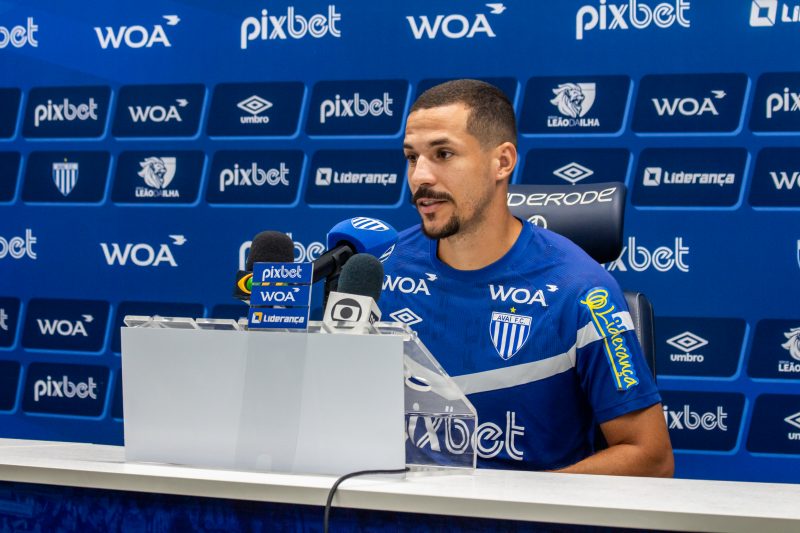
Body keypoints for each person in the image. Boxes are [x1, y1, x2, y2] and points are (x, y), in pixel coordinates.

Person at [380, 79, 673, 476]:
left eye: (443, 154)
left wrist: (511, 507)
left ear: (502, 162)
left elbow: (649, 457)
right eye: (412, 158)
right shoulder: (380, 270)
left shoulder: (581, 289)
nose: (420, 178)